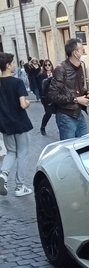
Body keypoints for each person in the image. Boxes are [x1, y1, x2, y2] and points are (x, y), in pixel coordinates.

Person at [47, 38, 89, 140]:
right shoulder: (61, 69)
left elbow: (79, 89)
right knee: (69, 149)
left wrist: (88, 93)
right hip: (66, 115)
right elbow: (53, 95)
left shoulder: (79, 67)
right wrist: (76, 99)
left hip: (78, 113)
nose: (85, 53)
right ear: (75, 53)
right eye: (82, 50)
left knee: (84, 145)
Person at [0, 52, 34, 197]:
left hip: (5, 123)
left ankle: (3, 175)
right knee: (23, 153)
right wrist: (28, 103)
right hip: (20, 123)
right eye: (12, 63)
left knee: (11, 152)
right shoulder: (17, 82)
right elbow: (22, 104)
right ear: (7, 65)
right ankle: (20, 186)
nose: (14, 65)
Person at [37, 59, 55, 135]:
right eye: (45, 65)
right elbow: (40, 87)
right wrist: (41, 97)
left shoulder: (55, 73)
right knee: (48, 113)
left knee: (59, 112)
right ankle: (43, 127)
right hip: (45, 97)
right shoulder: (41, 75)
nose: (47, 66)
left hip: (55, 96)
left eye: (49, 65)